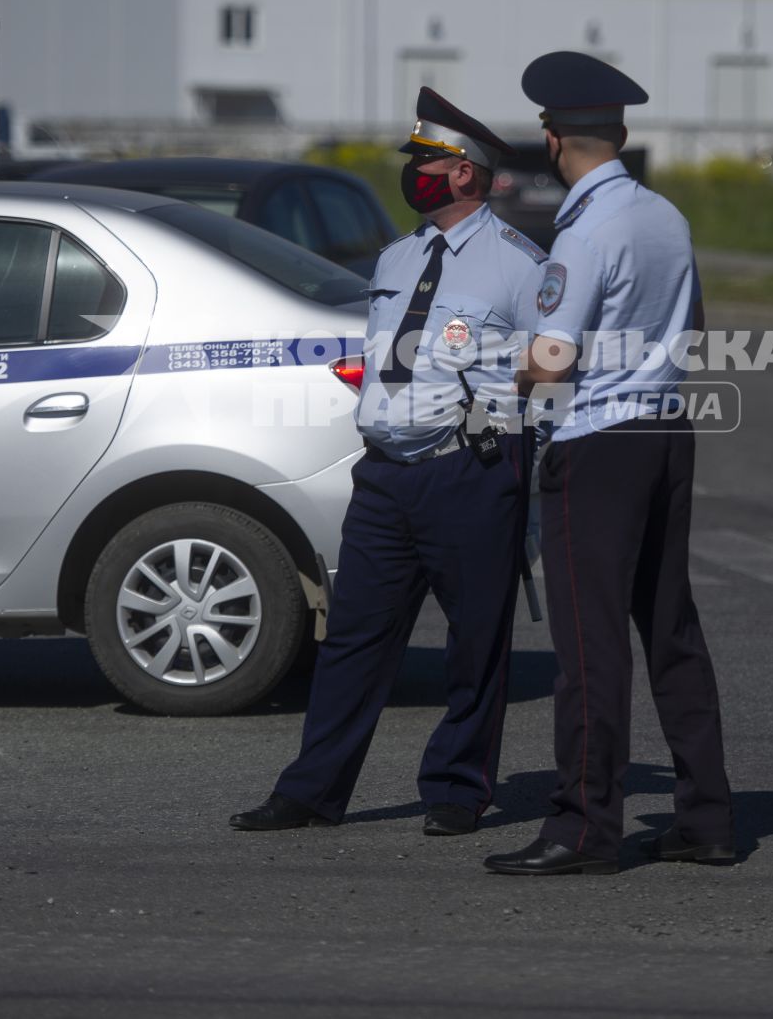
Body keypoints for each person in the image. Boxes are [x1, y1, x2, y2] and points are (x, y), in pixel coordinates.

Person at [231, 88, 549, 838]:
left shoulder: (521, 265)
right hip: (383, 475)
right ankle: (311, 789)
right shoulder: (398, 256)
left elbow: (555, 370)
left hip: (468, 469)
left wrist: (532, 472)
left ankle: (456, 788)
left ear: (466, 173)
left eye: (428, 161)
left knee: (474, 644)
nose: (416, 172)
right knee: (352, 640)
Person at [484, 51, 733, 877]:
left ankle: (584, 827)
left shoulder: (584, 230)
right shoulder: (667, 216)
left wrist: (504, 365)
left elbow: (550, 361)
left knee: (589, 647)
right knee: (671, 631)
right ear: (619, 134)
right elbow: (690, 322)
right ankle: (706, 817)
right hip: (665, 430)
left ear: (553, 140)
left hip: (597, 445)